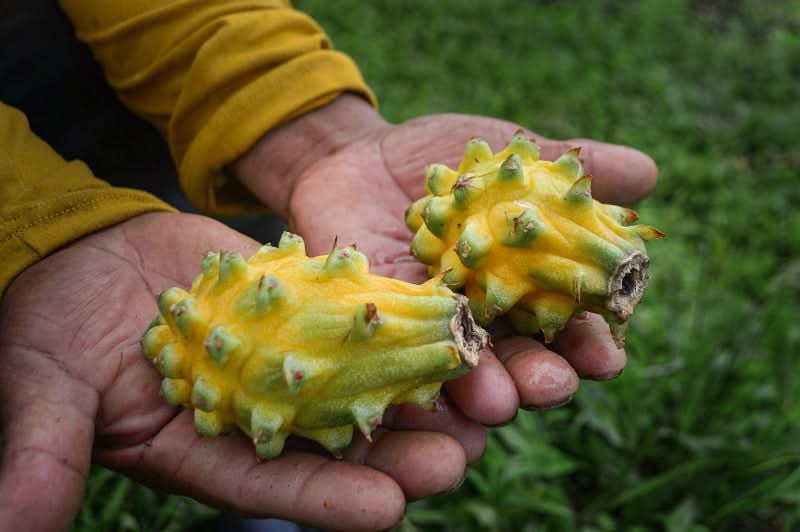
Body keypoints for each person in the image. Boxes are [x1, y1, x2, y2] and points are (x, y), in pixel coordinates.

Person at [0, 1, 658, 531]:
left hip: (79, 55)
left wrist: (287, 109)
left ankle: (261, 517)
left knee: (206, 209)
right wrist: (30, 232)